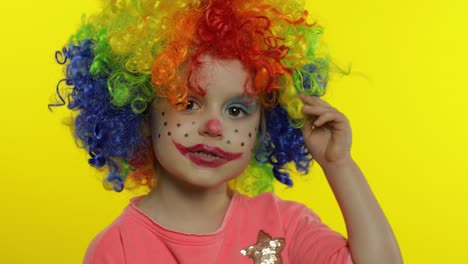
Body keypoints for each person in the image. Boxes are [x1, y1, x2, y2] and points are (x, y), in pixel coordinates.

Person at [50, 0, 402, 263]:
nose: (215, 127)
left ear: (263, 125)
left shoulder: (285, 226)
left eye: (237, 110)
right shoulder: (118, 249)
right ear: (140, 111)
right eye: (188, 102)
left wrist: (339, 164)